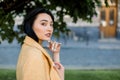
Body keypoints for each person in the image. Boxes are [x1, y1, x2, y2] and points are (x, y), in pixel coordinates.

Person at [16, 8, 64, 80]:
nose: (49, 29)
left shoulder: (29, 47)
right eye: (43, 24)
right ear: (30, 25)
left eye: (51, 24)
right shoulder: (34, 54)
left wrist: (56, 54)